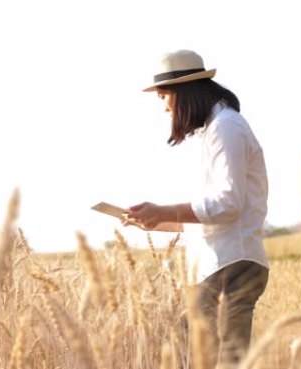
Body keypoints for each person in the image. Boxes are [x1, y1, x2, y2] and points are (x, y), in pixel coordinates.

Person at [122, 49, 270, 368]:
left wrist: (163, 210)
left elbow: (228, 204)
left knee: (217, 361)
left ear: (185, 93)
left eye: (164, 96)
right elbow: (205, 215)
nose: (164, 108)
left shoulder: (226, 127)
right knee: (197, 357)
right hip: (221, 262)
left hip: (232, 263)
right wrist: (153, 220)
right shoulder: (213, 131)